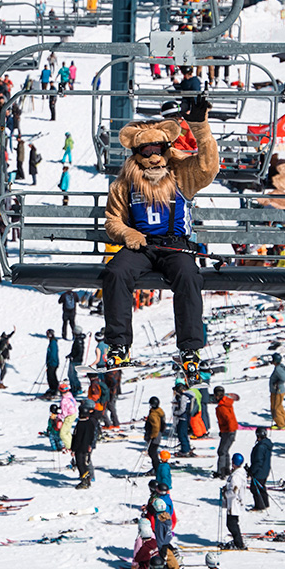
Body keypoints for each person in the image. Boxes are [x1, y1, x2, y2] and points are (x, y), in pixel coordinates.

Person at [101, 100, 217, 369]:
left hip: (175, 246)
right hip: (141, 246)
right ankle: (118, 344)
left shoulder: (180, 175)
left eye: (159, 149)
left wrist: (200, 127)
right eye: (146, 151)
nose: (153, 157)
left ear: (167, 149)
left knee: (188, 277)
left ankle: (190, 348)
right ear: (136, 153)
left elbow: (208, 166)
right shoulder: (125, 184)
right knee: (116, 272)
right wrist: (128, 234)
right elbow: (112, 220)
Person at [213, 386, 240, 478]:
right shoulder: (224, 404)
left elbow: (229, 420)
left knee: (222, 451)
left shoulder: (222, 407)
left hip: (229, 431)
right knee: (225, 450)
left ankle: (221, 472)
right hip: (227, 430)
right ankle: (226, 469)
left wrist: (229, 431)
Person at [223, 453, 246, 549]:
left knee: (231, 524)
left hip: (233, 502)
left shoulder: (236, 476)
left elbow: (234, 490)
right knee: (232, 523)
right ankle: (237, 541)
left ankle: (238, 543)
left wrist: (225, 494)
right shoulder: (238, 473)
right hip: (235, 502)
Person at [72, 401, 95, 488]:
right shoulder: (90, 423)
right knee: (84, 463)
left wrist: (73, 448)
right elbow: (92, 435)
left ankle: (84, 480)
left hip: (80, 448)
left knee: (80, 464)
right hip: (87, 446)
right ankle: (87, 479)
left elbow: (77, 438)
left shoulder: (80, 424)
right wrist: (90, 445)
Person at [248, 427, 272, 510]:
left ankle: (259, 506)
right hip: (265, 470)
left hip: (260, 471)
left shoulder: (260, 447)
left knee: (255, 488)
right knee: (261, 487)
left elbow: (258, 461)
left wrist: (252, 471)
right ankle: (265, 503)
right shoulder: (266, 444)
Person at [269, 353, 285, 430]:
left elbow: (283, 379)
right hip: (279, 390)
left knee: (275, 408)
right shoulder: (281, 366)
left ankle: (280, 424)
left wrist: (278, 383)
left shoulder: (278, 369)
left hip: (277, 391)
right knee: (279, 406)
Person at [145, 396, 166, 472]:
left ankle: (157, 468)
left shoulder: (153, 414)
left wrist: (151, 436)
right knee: (152, 451)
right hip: (158, 434)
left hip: (155, 435)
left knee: (152, 452)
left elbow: (156, 426)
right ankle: (156, 467)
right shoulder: (159, 411)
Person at [45, 329, 60, 395]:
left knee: (51, 376)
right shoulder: (51, 342)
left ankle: (54, 388)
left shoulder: (53, 342)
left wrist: (50, 361)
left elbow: (53, 353)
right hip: (51, 362)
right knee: (50, 375)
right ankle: (53, 388)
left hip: (53, 362)